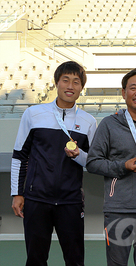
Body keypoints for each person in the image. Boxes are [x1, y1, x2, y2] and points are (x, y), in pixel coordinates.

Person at [11, 61, 97, 266]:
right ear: (56, 83)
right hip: (37, 199)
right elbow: (19, 156)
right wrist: (17, 193)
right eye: (65, 80)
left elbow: (93, 163)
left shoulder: (89, 121)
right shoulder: (33, 114)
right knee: (35, 259)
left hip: (71, 201)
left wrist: (78, 155)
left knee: (75, 260)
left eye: (76, 82)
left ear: (81, 88)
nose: (70, 86)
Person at [86, 68, 136, 266]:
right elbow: (92, 162)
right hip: (118, 209)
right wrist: (123, 166)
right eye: (133, 88)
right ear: (123, 93)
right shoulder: (109, 124)